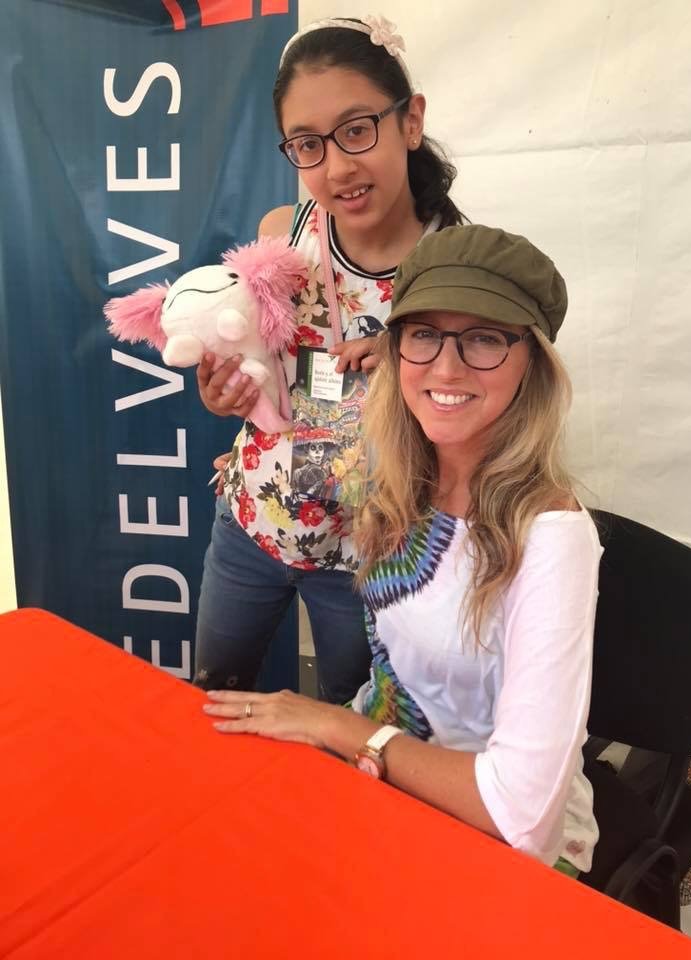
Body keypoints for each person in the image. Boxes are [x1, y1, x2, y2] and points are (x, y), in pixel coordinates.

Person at [201, 224, 602, 876]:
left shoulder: (551, 536)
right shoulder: (402, 481)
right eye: (423, 335)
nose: (446, 367)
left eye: (484, 338)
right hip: (377, 772)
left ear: (532, 361)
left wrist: (333, 726)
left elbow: (521, 815)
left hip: (490, 842)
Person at [193, 16, 465, 703]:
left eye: (357, 129)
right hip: (251, 522)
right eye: (308, 144)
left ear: (410, 121)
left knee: (352, 724)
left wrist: (413, 362)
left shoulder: (455, 268)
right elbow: (254, 366)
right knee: (213, 700)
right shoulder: (282, 236)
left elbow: (494, 423)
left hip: (366, 556)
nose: (338, 166)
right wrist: (224, 392)